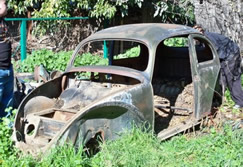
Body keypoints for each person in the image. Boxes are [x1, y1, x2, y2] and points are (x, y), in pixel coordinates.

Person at [193, 25, 243, 109]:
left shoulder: (209, 38)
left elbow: (215, 51)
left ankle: (240, 102)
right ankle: (222, 100)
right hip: (225, 56)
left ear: (201, 31)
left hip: (230, 56)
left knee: (232, 79)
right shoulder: (203, 39)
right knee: (221, 80)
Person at [0, 0, 14, 116]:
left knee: (8, 103)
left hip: (8, 69)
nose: (6, 6)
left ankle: (7, 129)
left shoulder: (3, 22)